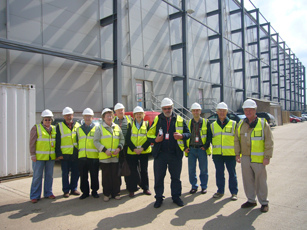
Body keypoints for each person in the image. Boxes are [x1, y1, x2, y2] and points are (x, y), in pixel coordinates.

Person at [147, 98, 191, 208]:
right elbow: (149, 135)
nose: (167, 110)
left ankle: (176, 197)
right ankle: (158, 198)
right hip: (160, 155)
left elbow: (188, 133)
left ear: (172, 108)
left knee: (176, 178)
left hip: (175, 155)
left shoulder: (179, 119)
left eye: (169, 108)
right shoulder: (157, 119)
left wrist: (182, 136)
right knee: (159, 178)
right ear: (162, 109)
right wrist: (155, 140)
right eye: (165, 108)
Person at [235, 99, 274, 212]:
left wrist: (267, 156)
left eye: (250, 110)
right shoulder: (241, 123)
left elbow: (269, 141)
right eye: (246, 110)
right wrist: (237, 154)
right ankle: (251, 200)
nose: (248, 112)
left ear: (255, 110)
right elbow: (236, 140)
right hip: (246, 157)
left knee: (261, 181)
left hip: (259, 158)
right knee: (248, 180)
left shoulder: (263, 123)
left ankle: (264, 202)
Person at [208, 102, 238, 201]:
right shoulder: (212, 126)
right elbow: (210, 139)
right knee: (219, 174)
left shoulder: (233, 124)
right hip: (217, 155)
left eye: (223, 111)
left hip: (230, 154)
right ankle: (220, 191)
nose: (221, 112)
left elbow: (238, 140)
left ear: (227, 112)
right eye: (220, 111)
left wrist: (238, 153)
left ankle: (234, 192)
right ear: (216, 112)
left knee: (232, 174)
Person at [94, 108, 125, 201]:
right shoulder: (99, 128)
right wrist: (104, 150)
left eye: (111, 116)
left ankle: (116, 193)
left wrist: (119, 148)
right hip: (104, 157)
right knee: (106, 177)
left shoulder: (117, 127)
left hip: (115, 157)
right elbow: (96, 141)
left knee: (116, 176)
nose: (109, 117)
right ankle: (107, 194)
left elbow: (122, 139)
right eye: (107, 116)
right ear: (103, 117)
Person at [184, 102, 211, 195]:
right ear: (191, 112)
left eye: (197, 110)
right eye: (194, 110)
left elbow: (209, 136)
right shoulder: (187, 123)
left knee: (203, 170)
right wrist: (185, 147)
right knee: (191, 170)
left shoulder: (206, 122)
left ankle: (204, 186)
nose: (195, 112)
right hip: (191, 149)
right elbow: (185, 136)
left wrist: (206, 146)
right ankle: (194, 186)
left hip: (201, 149)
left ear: (200, 111)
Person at [29, 109, 56, 203]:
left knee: (49, 176)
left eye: (49, 119)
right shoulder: (36, 128)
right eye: (46, 119)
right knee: (37, 176)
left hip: (50, 157)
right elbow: (32, 142)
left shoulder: (54, 129)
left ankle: (48, 193)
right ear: (42, 120)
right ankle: (35, 195)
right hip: (39, 158)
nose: (47, 121)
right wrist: (32, 154)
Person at [125, 106, 152, 198]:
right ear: (134, 115)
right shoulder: (130, 125)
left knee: (144, 170)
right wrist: (134, 149)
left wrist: (142, 148)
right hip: (132, 152)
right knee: (132, 171)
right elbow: (127, 139)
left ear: (143, 115)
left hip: (144, 152)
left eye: (140, 114)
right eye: (137, 114)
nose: (138, 115)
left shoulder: (147, 124)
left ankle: (145, 188)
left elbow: (149, 138)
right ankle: (132, 189)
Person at [74, 108, 99, 199]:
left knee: (94, 175)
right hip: (82, 157)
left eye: (89, 116)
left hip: (93, 156)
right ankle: (85, 192)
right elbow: (76, 142)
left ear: (92, 117)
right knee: (83, 176)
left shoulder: (97, 129)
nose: (87, 118)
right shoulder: (79, 129)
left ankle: (95, 191)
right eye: (86, 116)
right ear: (83, 117)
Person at [56, 107, 80, 198]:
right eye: (66, 115)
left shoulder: (77, 125)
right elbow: (57, 141)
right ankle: (66, 190)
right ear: (64, 116)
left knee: (76, 172)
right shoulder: (59, 126)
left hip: (75, 153)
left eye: (70, 115)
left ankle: (74, 188)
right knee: (65, 173)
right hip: (64, 154)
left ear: (72, 115)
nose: (68, 117)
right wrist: (59, 154)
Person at [113, 103, 134, 185]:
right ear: (115, 112)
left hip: (127, 147)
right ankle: (117, 186)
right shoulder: (113, 120)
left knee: (128, 166)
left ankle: (130, 186)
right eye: (118, 110)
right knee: (117, 168)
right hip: (117, 147)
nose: (120, 111)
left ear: (124, 110)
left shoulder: (130, 119)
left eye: (122, 110)